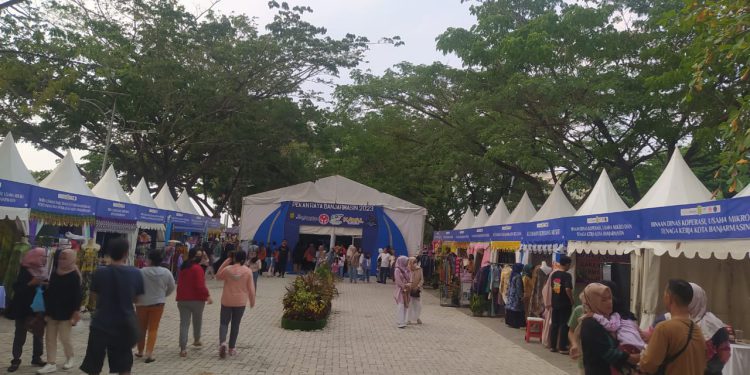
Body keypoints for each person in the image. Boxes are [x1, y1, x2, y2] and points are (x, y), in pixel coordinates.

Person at [80, 238, 145, 375]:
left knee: (94, 362)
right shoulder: (135, 273)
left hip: (101, 323)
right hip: (124, 323)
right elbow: (137, 299)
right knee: (124, 365)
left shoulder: (100, 272)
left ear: (109, 253)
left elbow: (93, 297)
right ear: (126, 253)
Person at [639, 279, 706, 375]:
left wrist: (642, 355)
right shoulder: (697, 330)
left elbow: (648, 365)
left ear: (669, 297)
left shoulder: (664, 328)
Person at [37, 249, 82, 374]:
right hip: (53, 311)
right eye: (60, 258)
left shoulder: (74, 275)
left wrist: (75, 312)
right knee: (50, 338)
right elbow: (51, 292)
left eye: (64, 258)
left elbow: (77, 295)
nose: (61, 261)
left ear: (72, 259)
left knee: (65, 338)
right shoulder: (55, 273)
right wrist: (46, 311)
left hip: (67, 313)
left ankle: (70, 357)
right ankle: (51, 363)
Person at [578, 283, 638, 375]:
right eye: (603, 300)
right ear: (593, 302)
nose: (609, 302)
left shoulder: (609, 320)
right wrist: (631, 358)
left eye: (610, 298)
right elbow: (606, 352)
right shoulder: (590, 323)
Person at [6, 248, 47, 373]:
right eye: (42, 256)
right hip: (23, 308)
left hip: (37, 309)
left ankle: (37, 357)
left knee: (38, 334)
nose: (44, 259)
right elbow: (18, 289)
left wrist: (45, 285)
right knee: (20, 334)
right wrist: (31, 283)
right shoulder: (24, 270)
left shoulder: (42, 271)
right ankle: (16, 359)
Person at [134, 250, 175, 363]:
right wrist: (163, 295)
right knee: (153, 328)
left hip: (141, 303)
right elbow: (171, 287)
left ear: (150, 260)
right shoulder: (166, 272)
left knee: (141, 328)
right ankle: (149, 353)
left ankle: (140, 351)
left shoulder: (140, 272)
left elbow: (135, 287)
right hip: (158, 304)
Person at [216, 251, 256, 358]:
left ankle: (223, 342)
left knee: (224, 323)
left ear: (234, 258)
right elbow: (251, 289)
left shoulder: (228, 270)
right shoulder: (248, 271)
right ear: (244, 259)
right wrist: (252, 301)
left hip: (227, 300)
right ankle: (232, 348)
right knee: (235, 324)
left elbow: (218, 276)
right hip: (240, 302)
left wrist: (226, 262)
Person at [686, 283, 731, 375]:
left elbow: (724, 355)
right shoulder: (672, 319)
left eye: (687, 297)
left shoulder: (714, 324)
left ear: (697, 299)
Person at [175, 248, 212, 357]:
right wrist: (207, 295)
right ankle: (196, 339)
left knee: (184, 324)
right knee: (197, 320)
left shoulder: (183, 267)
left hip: (182, 299)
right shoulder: (198, 269)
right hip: (197, 300)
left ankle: (183, 348)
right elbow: (200, 285)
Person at [549, 255, 574, 354]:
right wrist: (571, 300)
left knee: (555, 324)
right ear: (567, 264)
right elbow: (568, 289)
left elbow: (555, 288)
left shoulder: (554, 274)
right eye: (569, 264)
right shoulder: (567, 275)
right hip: (565, 304)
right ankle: (562, 347)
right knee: (564, 325)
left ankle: (553, 346)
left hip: (555, 302)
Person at [505, 263, 526, 329]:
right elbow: (518, 287)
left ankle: (510, 323)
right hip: (515, 296)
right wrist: (521, 296)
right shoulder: (518, 276)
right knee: (516, 309)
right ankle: (515, 324)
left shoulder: (512, 275)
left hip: (511, 295)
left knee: (511, 309)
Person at [393, 256, 411, 328]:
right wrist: (404, 286)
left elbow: (409, 278)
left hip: (406, 290)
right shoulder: (397, 270)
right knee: (401, 305)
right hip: (400, 290)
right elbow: (398, 281)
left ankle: (403, 320)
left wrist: (407, 271)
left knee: (405, 305)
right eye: (406, 262)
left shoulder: (405, 269)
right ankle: (400, 321)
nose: (407, 263)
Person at [407, 257, 423, 325]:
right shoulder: (407, 269)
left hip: (417, 290)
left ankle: (417, 317)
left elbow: (422, 279)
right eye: (413, 262)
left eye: (415, 262)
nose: (414, 263)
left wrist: (418, 286)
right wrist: (409, 286)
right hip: (409, 289)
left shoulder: (419, 269)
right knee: (409, 305)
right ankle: (408, 319)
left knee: (418, 305)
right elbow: (406, 279)